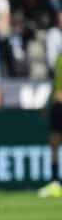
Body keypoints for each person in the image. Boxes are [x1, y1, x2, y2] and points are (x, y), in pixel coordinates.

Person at [38, 49, 62, 198]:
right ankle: (55, 183)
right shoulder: (59, 57)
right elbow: (55, 83)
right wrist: (46, 102)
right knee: (54, 144)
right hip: (56, 106)